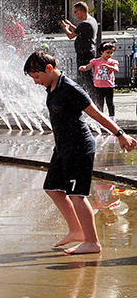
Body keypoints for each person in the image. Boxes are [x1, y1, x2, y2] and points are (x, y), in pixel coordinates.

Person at [23, 49, 136, 254]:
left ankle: (92, 242)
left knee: (77, 194)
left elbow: (96, 114)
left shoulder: (70, 88)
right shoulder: (52, 88)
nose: (36, 82)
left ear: (49, 69)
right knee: (52, 188)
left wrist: (120, 134)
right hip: (63, 148)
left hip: (79, 148)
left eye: (37, 77)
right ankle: (76, 230)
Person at [61, 1, 98, 96]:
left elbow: (71, 35)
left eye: (75, 12)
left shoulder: (85, 24)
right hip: (88, 51)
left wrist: (65, 28)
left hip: (84, 53)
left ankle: (87, 96)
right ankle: (87, 95)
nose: (76, 14)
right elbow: (79, 30)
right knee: (86, 76)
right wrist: (71, 25)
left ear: (80, 11)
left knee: (84, 76)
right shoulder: (91, 20)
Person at [78, 41, 119, 121]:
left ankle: (112, 117)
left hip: (109, 86)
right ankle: (101, 117)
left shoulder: (112, 62)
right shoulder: (96, 61)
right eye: (107, 52)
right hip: (98, 86)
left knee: (110, 102)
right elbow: (88, 67)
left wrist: (109, 67)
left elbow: (116, 69)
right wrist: (84, 68)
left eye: (111, 53)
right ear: (101, 52)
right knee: (100, 103)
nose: (109, 55)